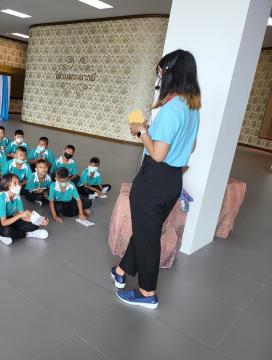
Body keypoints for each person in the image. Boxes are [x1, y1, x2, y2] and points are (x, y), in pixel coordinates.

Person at [112, 49, 201, 310]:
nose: (159, 78)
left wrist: (141, 132)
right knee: (145, 231)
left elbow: (159, 154)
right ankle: (121, 270)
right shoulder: (192, 105)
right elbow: (191, 146)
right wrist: (154, 133)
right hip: (173, 181)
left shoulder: (172, 107)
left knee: (148, 238)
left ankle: (147, 292)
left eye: (161, 72)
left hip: (154, 180)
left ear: (171, 73)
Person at [0, 174, 49, 246]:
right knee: (7, 231)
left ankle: (9, 233)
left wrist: (39, 219)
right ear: (7, 185)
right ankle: (26, 234)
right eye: (15, 183)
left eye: (18, 183)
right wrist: (20, 215)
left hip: (8, 218)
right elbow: (3, 222)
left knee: (34, 225)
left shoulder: (17, 196)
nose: (19, 185)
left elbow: (23, 216)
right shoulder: (1, 198)